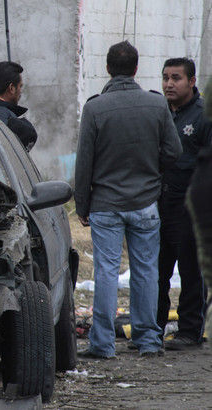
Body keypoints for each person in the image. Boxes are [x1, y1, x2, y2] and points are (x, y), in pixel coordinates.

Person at [74, 41, 182, 359]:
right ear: (136, 69)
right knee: (147, 270)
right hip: (146, 201)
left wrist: (82, 205)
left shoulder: (94, 108)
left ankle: (103, 345)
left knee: (106, 271)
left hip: (106, 204)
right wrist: (152, 171)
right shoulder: (156, 105)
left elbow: (84, 164)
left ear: (108, 68)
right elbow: (174, 152)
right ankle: (149, 340)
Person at [157, 58, 212, 350]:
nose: (169, 84)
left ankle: (189, 331)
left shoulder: (203, 116)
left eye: (176, 78)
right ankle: (152, 327)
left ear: (191, 82)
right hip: (159, 203)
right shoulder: (161, 113)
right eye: (165, 77)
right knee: (156, 271)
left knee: (191, 271)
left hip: (189, 206)